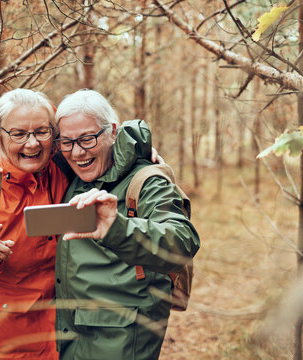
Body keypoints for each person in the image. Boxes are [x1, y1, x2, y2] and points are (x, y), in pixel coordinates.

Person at [0, 88, 161, 360]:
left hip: (68, 315)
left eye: (41, 132)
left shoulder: (60, 164)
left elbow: (96, 139)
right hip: (15, 322)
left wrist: (139, 153)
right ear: (0, 135)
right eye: (19, 134)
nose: (32, 143)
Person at [53, 89, 200, 360]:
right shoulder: (69, 171)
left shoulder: (146, 181)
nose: (77, 152)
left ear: (112, 132)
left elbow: (182, 240)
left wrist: (117, 229)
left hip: (122, 334)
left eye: (87, 139)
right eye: (67, 142)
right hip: (69, 329)